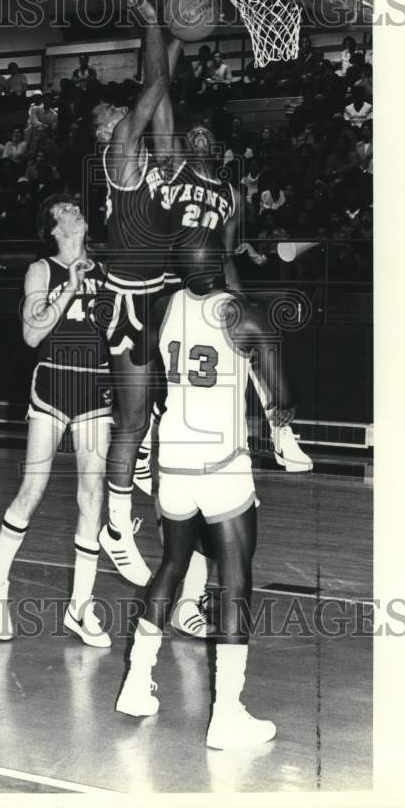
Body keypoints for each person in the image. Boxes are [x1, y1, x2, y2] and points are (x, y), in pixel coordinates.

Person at [115, 248, 294, 750]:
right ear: (222, 265)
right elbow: (281, 398)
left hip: (173, 460)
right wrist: (281, 413)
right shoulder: (244, 314)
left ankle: (135, 684)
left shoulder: (164, 307)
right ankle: (227, 714)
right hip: (222, 463)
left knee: (171, 564)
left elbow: (138, 360)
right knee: (235, 579)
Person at [0, 195, 113, 648]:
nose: (78, 211)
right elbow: (32, 332)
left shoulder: (107, 269)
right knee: (32, 491)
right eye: (66, 210)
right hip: (53, 387)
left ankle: (80, 607)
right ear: (54, 228)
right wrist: (70, 287)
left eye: (80, 207)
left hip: (96, 389)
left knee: (92, 494)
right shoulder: (42, 269)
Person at [89, 0, 173, 586]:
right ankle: (116, 523)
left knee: (159, 410)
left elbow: (162, 91)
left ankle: (141, 464)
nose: (117, 111)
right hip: (129, 303)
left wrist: (172, 37)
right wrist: (149, 21)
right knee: (133, 416)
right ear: (106, 132)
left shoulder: (151, 155)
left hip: (159, 293)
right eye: (107, 113)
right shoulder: (120, 152)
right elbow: (151, 92)